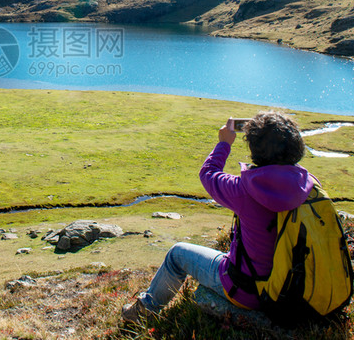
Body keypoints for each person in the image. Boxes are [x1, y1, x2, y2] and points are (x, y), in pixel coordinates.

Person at [122, 111, 315, 323]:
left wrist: (224, 143)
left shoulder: (245, 190)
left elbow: (208, 173)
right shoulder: (308, 185)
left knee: (177, 254)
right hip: (297, 285)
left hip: (249, 290)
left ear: (255, 149)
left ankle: (144, 311)